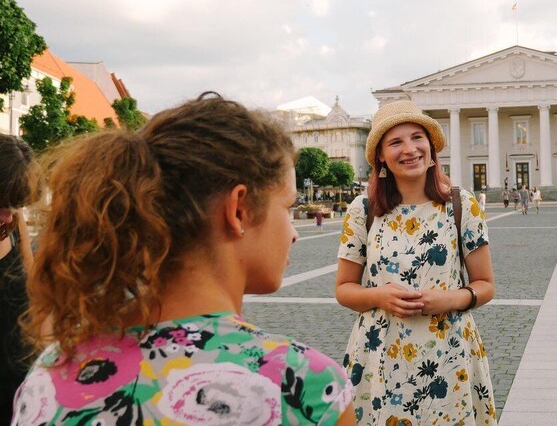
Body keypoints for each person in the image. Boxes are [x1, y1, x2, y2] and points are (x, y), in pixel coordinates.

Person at [14, 94, 356, 425]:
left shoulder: (52, 372)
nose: (294, 232)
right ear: (239, 210)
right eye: (287, 207)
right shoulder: (303, 386)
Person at [335, 100, 497, 425]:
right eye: (395, 142)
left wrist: (449, 299)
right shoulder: (363, 209)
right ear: (380, 154)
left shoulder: (460, 204)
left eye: (417, 138)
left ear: (431, 145)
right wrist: (380, 296)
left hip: (449, 352)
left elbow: (486, 285)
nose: (409, 149)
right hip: (380, 353)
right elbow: (344, 289)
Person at [0, 136, 37, 424]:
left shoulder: (12, 221)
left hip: (20, 387)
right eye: (1, 203)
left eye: (16, 204)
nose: (8, 214)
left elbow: (32, 286)